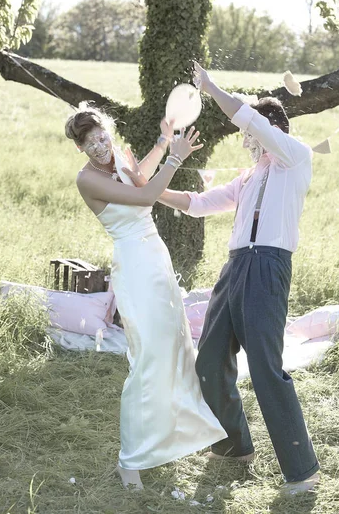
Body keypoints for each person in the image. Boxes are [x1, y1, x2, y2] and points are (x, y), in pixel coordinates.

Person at [124, 64, 320, 494]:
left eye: (254, 134)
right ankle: (234, 446)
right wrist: (148, 188)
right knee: (209, 359)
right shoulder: (249, 176)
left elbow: (249, 120)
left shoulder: (295, 156)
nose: (248, 141)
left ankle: (302, 471)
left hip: (268, 266)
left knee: (266, 368)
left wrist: (210, 87)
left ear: (274, 130)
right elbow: (198, 202)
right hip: (235, 267)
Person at [64, 104, 227, 491]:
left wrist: (164, 138)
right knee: (149, 356)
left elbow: (139, 177)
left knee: (174, 345)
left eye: (102, 136)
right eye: (90, 143)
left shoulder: (117, 154)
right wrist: (175, 158)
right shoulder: (86, 180)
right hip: (134, 266)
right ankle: (130, 461)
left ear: (108, 132)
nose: (100, 146)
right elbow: (147, 197)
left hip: (156, 257)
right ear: (80, 148)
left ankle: (175, 436)